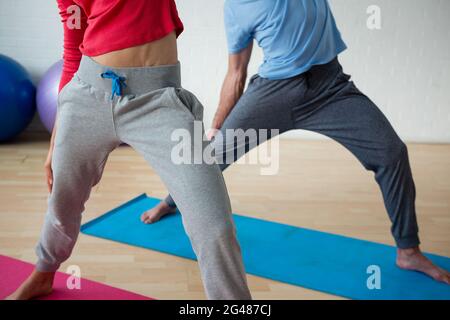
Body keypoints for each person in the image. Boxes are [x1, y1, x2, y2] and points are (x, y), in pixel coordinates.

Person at [143, 0, 450, 285]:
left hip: (331, 88)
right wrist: (216, 127)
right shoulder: (237, 6)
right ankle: (170, 201)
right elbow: (236, 73)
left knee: (391, 153)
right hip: (274, 94)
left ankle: (408, 251)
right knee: (212, 157)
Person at [6, 0, 252, 300]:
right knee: (63, 202)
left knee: (213, 222)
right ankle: (43, 273)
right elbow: (73, 53)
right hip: (87, 94)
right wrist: (55, 140)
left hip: (159, 100)